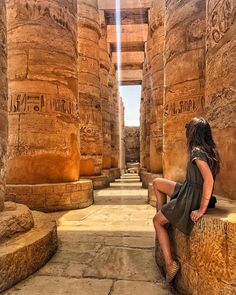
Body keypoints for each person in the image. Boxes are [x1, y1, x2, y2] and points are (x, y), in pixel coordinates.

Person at [152, 117, 220, 283]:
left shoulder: (197, 152)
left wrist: (202, 209)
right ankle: (165, 216)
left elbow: (209, 180)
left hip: (192, 196)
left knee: (156, 221)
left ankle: (170, 265)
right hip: (188, 188)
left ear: (194, 133)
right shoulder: (209, 150)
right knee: (157, 183)